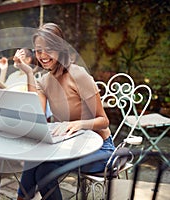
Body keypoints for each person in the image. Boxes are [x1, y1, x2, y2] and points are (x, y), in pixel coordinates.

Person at [14, 23, 115, 200]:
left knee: (45, 170)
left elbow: (103, 120)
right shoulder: (45, 80)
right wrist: (29, 73)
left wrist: (79, 124)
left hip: (99, 148)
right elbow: (36, 114)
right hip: (69, 145)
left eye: (49, 50)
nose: (43, 56)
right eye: (38, 51)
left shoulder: (78, 75)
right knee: (35, 156)